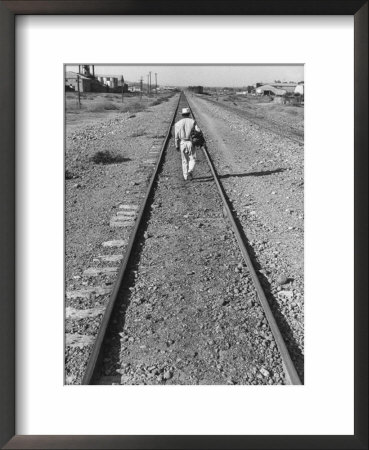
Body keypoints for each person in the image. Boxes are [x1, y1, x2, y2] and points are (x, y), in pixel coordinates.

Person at [174, 107, 202, 181]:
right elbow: (198, 131)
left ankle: (185, 177)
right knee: (192, 158)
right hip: (190, 142)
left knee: (184, 160)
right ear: (189, 114)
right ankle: (190, 170)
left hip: (182, 143)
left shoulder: (177, 123)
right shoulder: (192, 121)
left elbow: (176, 137)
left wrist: (177, 145)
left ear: (182, 115)